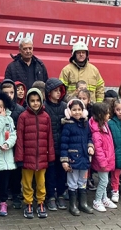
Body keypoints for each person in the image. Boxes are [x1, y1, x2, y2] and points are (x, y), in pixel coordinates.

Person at [0, 79, 26, 209]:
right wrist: (2, 118)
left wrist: (8, 144)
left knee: (6, 181)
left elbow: (13, 134)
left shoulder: (11, 116)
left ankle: (3, 202)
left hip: (7, 156)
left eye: (1, 107)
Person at [15, 88, 54, 219]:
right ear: (28, 101)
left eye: (37, 100)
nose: (35, 103)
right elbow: (19, 138)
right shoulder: (23, 116)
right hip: (27, 158)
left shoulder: (46, 116)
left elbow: (49, 138)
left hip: (42, 157)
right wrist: (19, 157)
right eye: (32, 101)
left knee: (41, 182)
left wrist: (50, 157)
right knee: (27, 183)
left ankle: (41, 202)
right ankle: (29, 203)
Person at [60, 99, 94, 216]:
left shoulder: (86, 124)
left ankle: (82, 203)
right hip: (72, 159)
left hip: (84, 158)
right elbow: (63, 144)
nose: (77, 112)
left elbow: (90, 137)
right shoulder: (67, 126)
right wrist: (64, 160)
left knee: (83, 181)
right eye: (74, 110)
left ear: (83, 111)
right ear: (69, 111)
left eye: (79, 109)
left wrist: (91, 146)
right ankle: (73, 205)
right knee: (72, 181)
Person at [44, 78, 68, 211]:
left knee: (61, 173)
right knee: (50, 173)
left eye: (60, 90)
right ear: (49, 92)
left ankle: (60, 195)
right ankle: (50, 197)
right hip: (49, 146)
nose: (58, 93)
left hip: (62, 146)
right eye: (55, 91)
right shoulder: (44, 107)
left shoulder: (64, 107)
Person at [88, 102, 117, 212]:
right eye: (107, 113)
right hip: (102, 162)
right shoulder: (97, 132)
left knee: (103, 180)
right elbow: (98, 150)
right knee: (104, 181)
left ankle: (104, 198)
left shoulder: (105, 125)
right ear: (101, 115)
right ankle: (97, 201)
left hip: (107, 160)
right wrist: (103, 163)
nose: (109, 115)